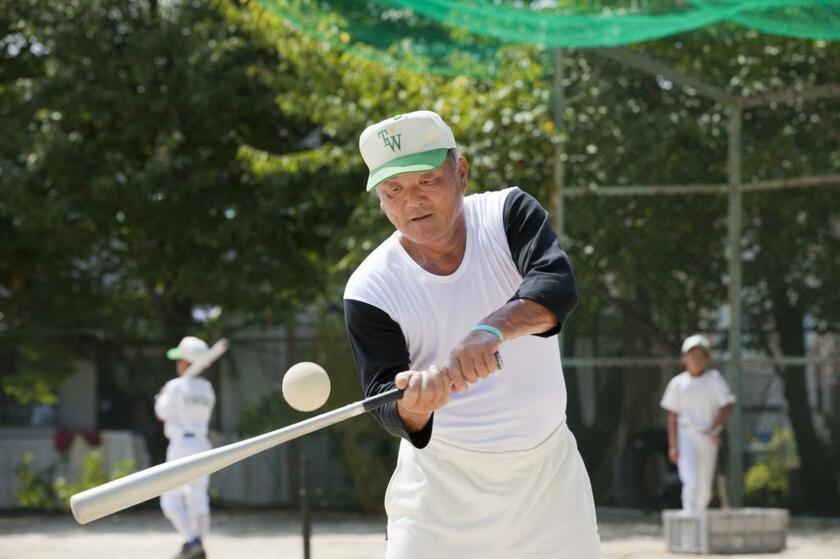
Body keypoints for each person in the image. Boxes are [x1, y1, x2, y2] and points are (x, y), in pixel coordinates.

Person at [344, 110, 601, 558]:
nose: (412, 202)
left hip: (549, 482)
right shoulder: (371, 288)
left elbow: (556, 285)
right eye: (394, 190)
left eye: (427, 181)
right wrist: (414, 406)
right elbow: (382, 397)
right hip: (441, 492)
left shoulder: (506, 215)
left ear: (460, 172)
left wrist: (491, 330)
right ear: (381, 200)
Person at [155, 336, 216, 559]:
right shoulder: (207, 388)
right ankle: (198, 543)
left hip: (181, 444)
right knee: (198, 497)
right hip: (202, 444)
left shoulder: (175, 387)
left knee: (170, 498)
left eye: (180, 359)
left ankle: (191, 540)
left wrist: (162, 395)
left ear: (188, 362)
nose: (177, 364)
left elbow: (161, 412)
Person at [660, 334, 735, 512]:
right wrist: (673, 445)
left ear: (707, 359)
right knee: (691, 481)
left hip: (708, 437)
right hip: (686, 435)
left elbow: (727, 405)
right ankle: (689, 525)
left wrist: (715, 428)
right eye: (692, 354)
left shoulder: (714, 379)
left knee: (705, 490)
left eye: (701, 355)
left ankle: (699, 524)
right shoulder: (678, 384)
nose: (696, 359)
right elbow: (672, 416)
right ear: (684, 358)